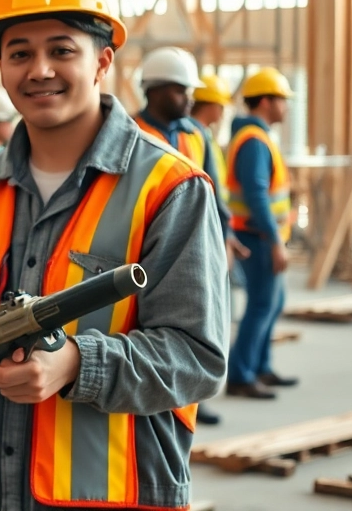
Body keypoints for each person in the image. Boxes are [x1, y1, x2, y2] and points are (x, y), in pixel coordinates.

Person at [0, 0, 229, 510]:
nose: (39, 70)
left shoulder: (170, 189)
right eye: (19, 52)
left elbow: (197, 356)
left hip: (119, 497)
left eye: (62, 50)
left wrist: (77, 364)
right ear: (0, 66)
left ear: (102, 61)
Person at [134, 47, 243, 427]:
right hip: (147, 250)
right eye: (181, 90)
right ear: (155, 90)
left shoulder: (197, 135)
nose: (190, 98)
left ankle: (195, 398)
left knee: (201, 323)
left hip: (198, 246)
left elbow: (215, 194)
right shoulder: (132, 134)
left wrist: (225, 239)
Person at [225, 67, 298, 399]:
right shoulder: (254, 140)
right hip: (258, 237)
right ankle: (241, 375)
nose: (287, 106)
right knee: (260, 304)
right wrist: (274, 240)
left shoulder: (259, 135)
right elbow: (256, 195)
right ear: (267, 101)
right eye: (283, 100)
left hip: (263, 235)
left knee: (272, 302)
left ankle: (260, 366)